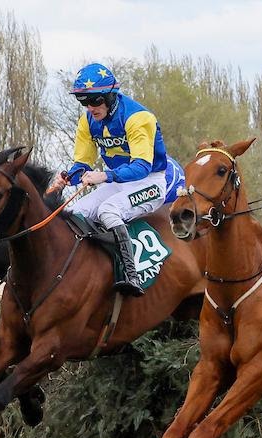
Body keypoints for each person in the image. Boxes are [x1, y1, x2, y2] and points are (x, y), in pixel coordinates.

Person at [49, 62, 176, 297]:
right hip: (118, 182)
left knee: (108, 210)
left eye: (95, 100)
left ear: (110, 95)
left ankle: (131, 275)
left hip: (150, 182)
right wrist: (67, 177)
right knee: (76, 212)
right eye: (83, 101)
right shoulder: (87, 121)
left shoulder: (138, 117)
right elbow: (83, 164)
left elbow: (141, 166)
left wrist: (105, 176)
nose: (90, 107)